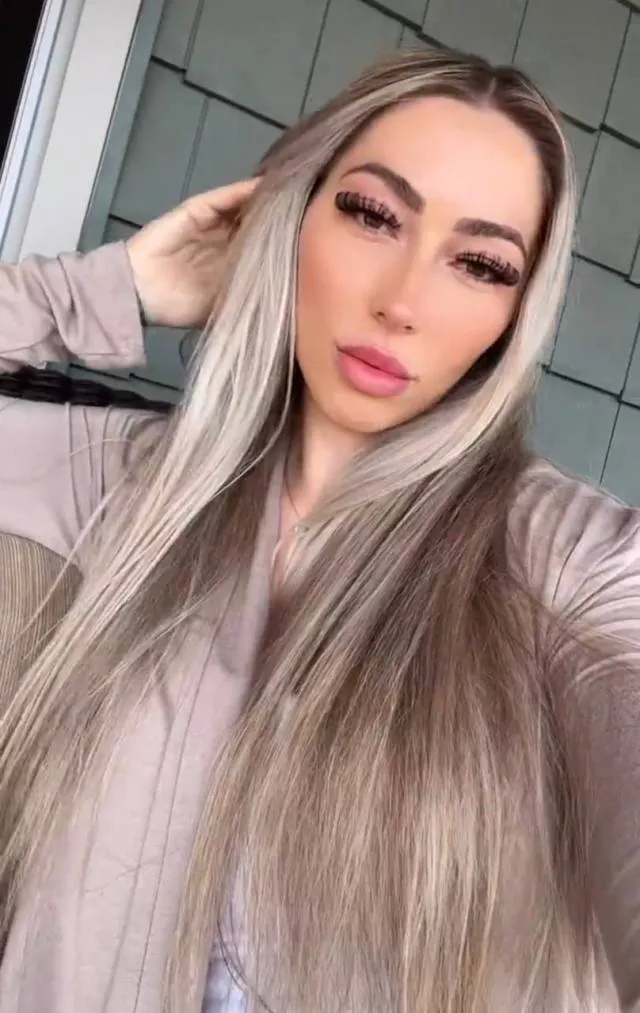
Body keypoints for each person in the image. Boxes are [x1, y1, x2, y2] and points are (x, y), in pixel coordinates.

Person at [0, 47, 637, 1013]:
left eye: (479, 263)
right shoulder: (114, 485)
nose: (402, 301)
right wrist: (111, 294)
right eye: (373, 215)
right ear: (290, 215)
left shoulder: (566, 562)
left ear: (515, 315)